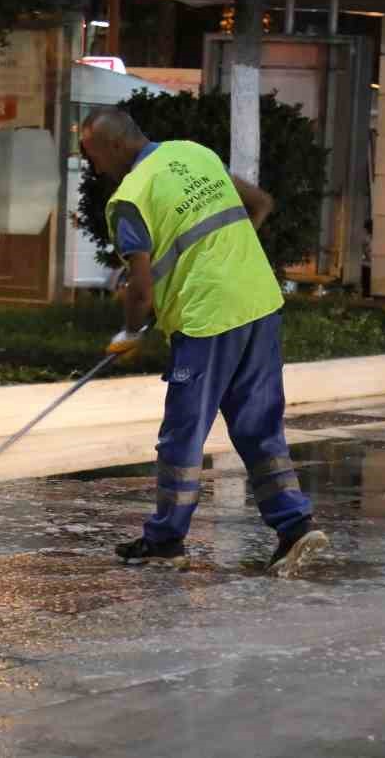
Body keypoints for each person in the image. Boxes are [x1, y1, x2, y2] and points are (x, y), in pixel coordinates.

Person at [80, 108, 328, 575]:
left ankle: (165, 542)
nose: (95, 168)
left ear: (113, 146)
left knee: (184, 435)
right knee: (259, 427)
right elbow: (261, 203)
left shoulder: (129, 198)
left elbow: (140, 290)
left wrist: (131, 331)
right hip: (257, 302)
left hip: (206, 318)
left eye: (93, 156)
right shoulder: (194, 153)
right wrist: (222, 256)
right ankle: (296, 525)